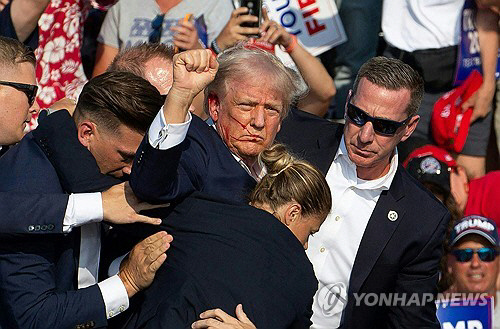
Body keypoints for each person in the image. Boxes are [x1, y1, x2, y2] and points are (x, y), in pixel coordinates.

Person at [276, 56, 450, 328]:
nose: (365, 135)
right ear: (347, 103)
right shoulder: (293, 135)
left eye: (384, 127)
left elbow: (411, 317)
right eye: (358, 116)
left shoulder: (422, 218)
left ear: (409, 128)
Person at [0, 71, 172, 329]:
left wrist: (121, 265)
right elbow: (33, 317)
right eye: (125, 156)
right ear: (86, 133)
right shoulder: (29, 182)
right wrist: (127, 282)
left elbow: (84, 267)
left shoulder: (96, 168)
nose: (131, 171)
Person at [117, 144, 332, 329]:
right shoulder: (302, 278)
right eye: (310, 232)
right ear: (292, 213)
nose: (304, 245)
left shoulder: (197, 209)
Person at [0, 36, 161, 236]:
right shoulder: (25, 163)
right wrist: (98, 206)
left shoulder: (17, 153)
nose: (35, 106)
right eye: (29, 93)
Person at [129, 45, 304, 205]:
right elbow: (152, 186)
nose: (259, 121)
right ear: (215, 106)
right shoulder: (195, 147)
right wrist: (181, 94)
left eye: (271, 109)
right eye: (246, 105)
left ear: (281, 120)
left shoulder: (283, 170)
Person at [382, 0, 498, 178]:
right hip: (404, 73)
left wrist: (488, 86)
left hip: (465, 76)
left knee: (468, 177)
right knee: (406, 178)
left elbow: (487, 9)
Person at [92, 0, 232, 77]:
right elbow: (101, 76)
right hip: (126, 102)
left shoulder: (217, 4)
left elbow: (223, 74)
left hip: (183, 104)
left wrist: (196, 48)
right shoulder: (122, 3)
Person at [445, 215, 500, 329]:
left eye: (486, 254)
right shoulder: (431, 314)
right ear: (450, 262)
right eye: (464, 255)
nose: (475, 264)